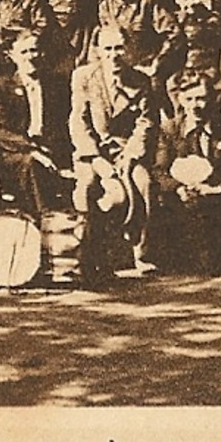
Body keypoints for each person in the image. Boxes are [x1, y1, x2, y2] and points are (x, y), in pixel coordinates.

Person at [69, 25, 159, 276]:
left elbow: (146, 123)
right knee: (87, 186)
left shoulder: (141, 81)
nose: (114, 54)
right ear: (98, 50)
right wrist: (97, 160)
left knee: (144, 182)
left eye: (119, 48)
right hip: (93, 152)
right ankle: (88, 256)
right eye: (107, 48)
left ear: (129, 50)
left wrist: (131, 155)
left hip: (126, 150)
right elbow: (79, 121)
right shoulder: (84, 77)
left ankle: (141, 252)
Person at [152, 73, 221, 275]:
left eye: (201, 98)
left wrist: (220, 187)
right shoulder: (170, 128)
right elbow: (159, 169)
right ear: (180, 99)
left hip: (219, 200)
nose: (195, 105)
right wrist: (178, 189)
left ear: (213, 99)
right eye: (189, 99)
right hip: (183, 200)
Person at [0, 30, 70, 216]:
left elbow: (64, 122)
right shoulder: (0, 86)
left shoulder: (57, 84)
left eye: (34, 51)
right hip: (15, 151)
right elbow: (1, 130)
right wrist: (33, 150)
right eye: (24, 52)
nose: (30, 57)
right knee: (30, 164)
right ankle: (45, 217)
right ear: (11, 56)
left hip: (51, 148)